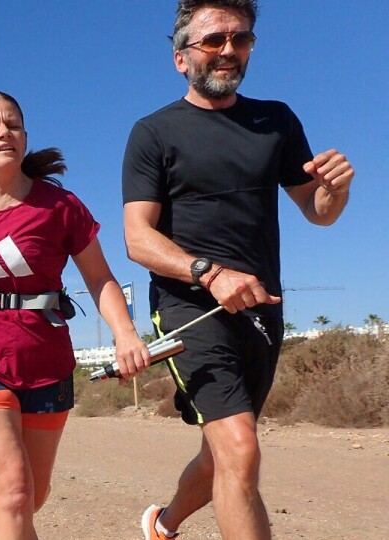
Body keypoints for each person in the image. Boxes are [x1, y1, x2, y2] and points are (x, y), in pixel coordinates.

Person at [121, 2, 354, 538]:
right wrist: (209, 273)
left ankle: (163, 522)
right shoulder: (153, 133)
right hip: (190, 310)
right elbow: (138, 238)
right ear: (181, 57)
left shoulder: (275, 120)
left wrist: (335, 191)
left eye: (241, 38)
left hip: (261, 310)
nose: (229, 49)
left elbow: (318, 213)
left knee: (223, 453)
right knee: (242, 451)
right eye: (213, 40)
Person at [0, 91, 151, 540]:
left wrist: (126, 334)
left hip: (46, 364)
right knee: (13, 490)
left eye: (13, 125)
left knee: (30, 496)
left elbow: (101, 278)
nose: (4, 132)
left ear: (25, 138)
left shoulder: (61, 208)